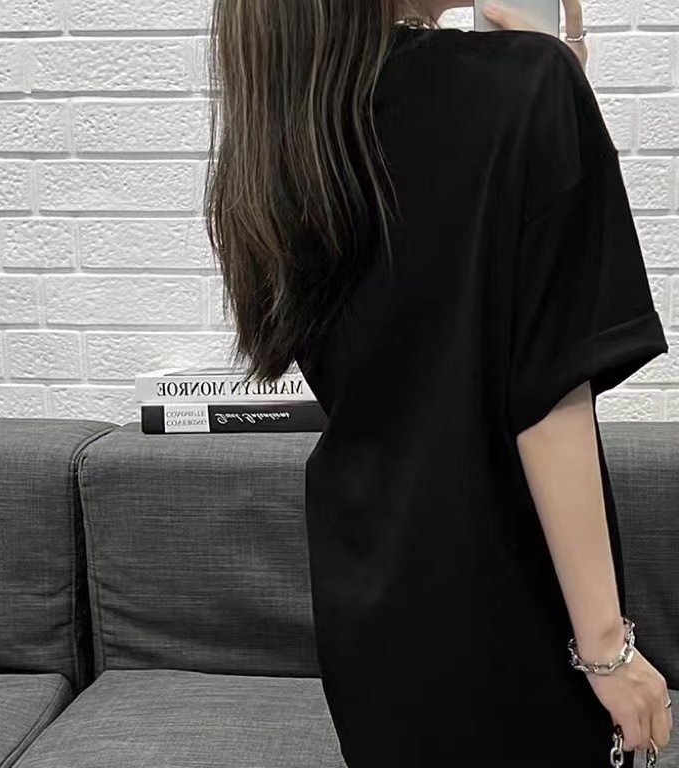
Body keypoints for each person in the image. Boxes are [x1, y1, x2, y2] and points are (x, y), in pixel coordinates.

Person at [202, 0, 673, 765]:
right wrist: (606, 650)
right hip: (504, 604)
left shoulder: (288, 134)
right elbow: (548, 396)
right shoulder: (524, 87)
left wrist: (554, 88)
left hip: (369, 599)